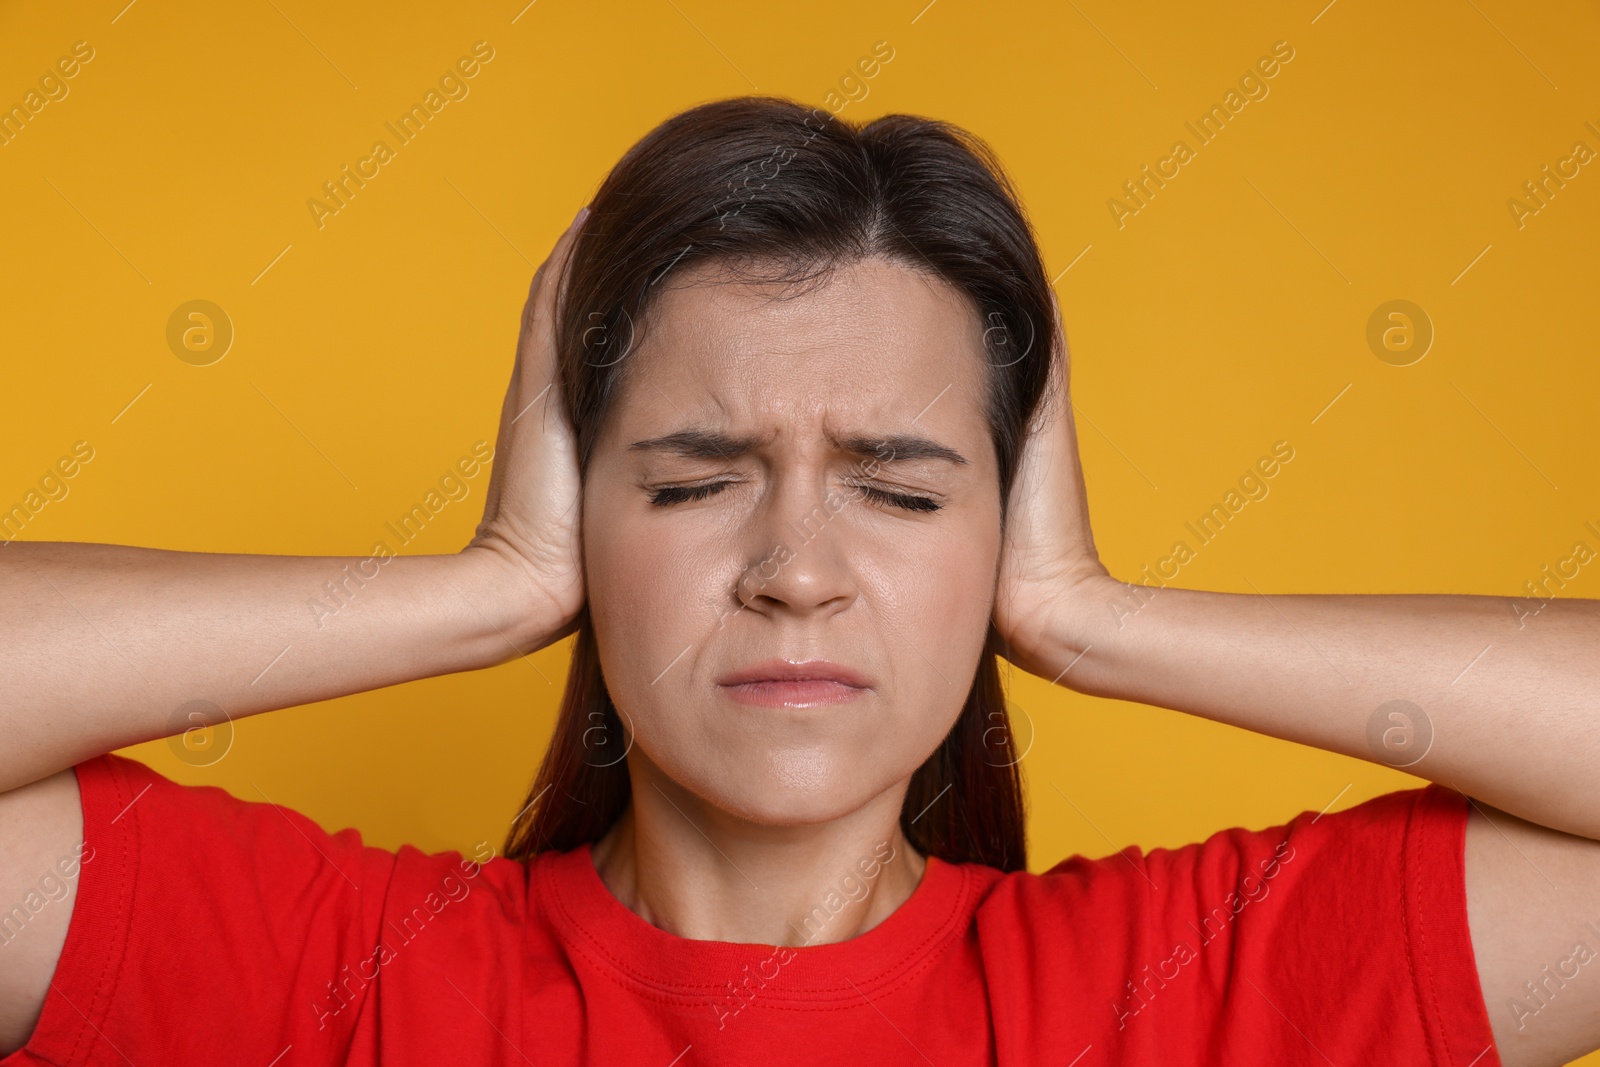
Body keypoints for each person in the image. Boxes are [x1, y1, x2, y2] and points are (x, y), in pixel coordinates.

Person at [0, 95, 1596, 1067]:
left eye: (900, 489)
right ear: (580, 513)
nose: (797, 573)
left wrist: (1093, 619)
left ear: (1003, 530)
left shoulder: (1193, 998)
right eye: (693, 481)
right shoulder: (332, 982)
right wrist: (486, 587)